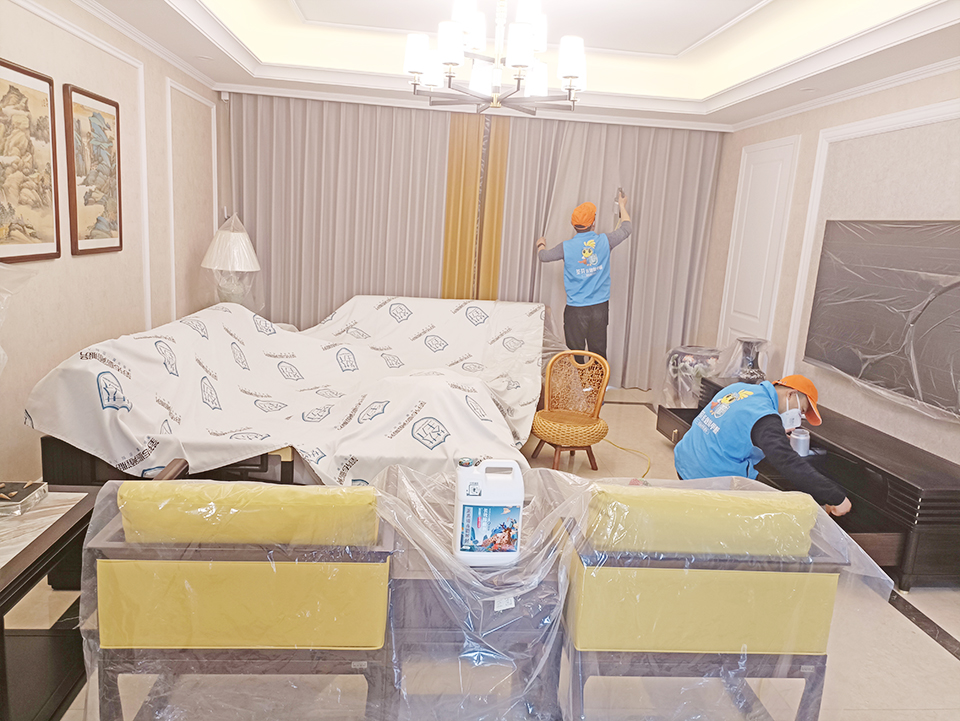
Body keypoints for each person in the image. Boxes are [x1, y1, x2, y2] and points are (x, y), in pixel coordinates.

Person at [674, 374, 852, 516]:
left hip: (685, 462)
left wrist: (771, 434)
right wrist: (835, 496)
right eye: (801, 410)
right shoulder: (765, 417)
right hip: (710, 482)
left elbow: (731, 423)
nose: (798, 417)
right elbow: (788, 462)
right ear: (791, 394)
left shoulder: (741, 389)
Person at [535, 191, 632, 360]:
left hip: (576, 311)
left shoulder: (566, 247)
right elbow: (626, 228)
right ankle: (597, 379)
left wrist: (541, 245)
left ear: (574, 225)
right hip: (600, 308)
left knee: (575, 355)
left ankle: (578, 378)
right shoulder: (605, 241)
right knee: (598, 355)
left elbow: (543, 256)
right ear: (593, 223)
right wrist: (622, 205)